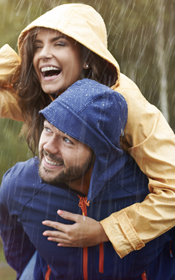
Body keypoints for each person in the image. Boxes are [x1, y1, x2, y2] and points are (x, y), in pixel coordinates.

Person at [0, 3, 175, 259]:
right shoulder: (47, 94)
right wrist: (24, 64)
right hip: (63, 231)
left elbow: (172, 191)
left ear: (87, 57)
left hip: (130, 248)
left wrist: (105, 231)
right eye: (38, 45)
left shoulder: (125, 103)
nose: (44, 54)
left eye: (59, 43)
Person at [0, 79, 174, 280]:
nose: (48, 147)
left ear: (99, 153)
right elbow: (18, 252)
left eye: (67, 140)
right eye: (48, 129)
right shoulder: (19, 185)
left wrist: (106, 232)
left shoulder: (146, 190)